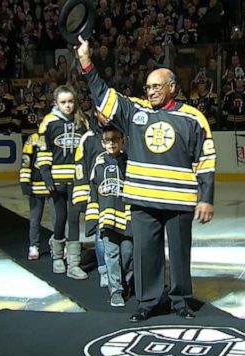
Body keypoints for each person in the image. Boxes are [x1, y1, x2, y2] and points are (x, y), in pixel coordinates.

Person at [76, 35, 216, 321]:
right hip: (141, 199)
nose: (151, 91)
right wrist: (85, 62)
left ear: (172, 88)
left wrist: (206, 198)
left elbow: (206, 161)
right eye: (148, 87)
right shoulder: (134, 111)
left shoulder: (193, 119)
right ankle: (147, 302)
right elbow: (103, 94)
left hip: (179, 200)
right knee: (145, 254)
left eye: (157, 86)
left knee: (179, 254)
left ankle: (180, 301)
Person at [36, 85, 88, 280]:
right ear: (56, 103)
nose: (68, 105)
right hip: (56, 181)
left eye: (71, 101)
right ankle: (57, 256)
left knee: (74, 219)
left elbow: (87, 150)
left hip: (77, 180)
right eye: (63, 102)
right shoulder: (48, 123)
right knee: (60, 217)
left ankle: (73, 263)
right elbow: (42, 150)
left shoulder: (82, 121)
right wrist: (46, 175)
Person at [85, 126, 133, 307]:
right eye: (108, 140)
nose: (112, 143)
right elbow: (93, 193)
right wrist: (92, 219)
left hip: (126, 219)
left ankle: (126, 283)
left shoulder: (129, 163)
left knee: (128, 254)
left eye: (116, 139)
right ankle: (116, 291)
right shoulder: (98, 165)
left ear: (122, 141)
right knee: (111, 254)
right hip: (106, 218)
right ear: (102, 143)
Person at [72, 107, 109, 288]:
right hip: (96, 196)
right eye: (103, 112)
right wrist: (81, 197)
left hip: (119, 194)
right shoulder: (88, 138)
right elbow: (80, 168)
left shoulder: (123, 133)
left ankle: (119, 270)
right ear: (96, 114)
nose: (107, 115)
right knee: (101, 234)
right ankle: (104, 270)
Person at [19, 132, 56, 260]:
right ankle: (34, 246)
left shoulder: (55, 135)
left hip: (53, 185)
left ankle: (58, 245)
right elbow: (25, 160)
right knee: (35, 219)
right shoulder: (32, 139)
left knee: (57, 218)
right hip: (36, 186)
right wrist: (24, 181)